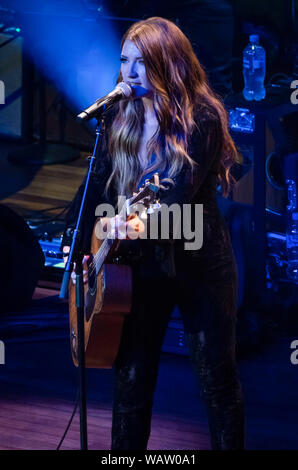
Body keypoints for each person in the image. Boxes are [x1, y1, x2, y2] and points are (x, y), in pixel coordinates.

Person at [61, 17, 245, 450]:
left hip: (198, 261)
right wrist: (80, 240)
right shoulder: (118, 117)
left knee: (216, 382)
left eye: (143, 63)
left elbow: (175, 199)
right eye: (125, 60)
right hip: (139, 265)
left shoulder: (201, 118)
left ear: (169, 64)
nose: (130, 72)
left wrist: (132, 224)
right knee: (131, 383)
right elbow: (95, 187)